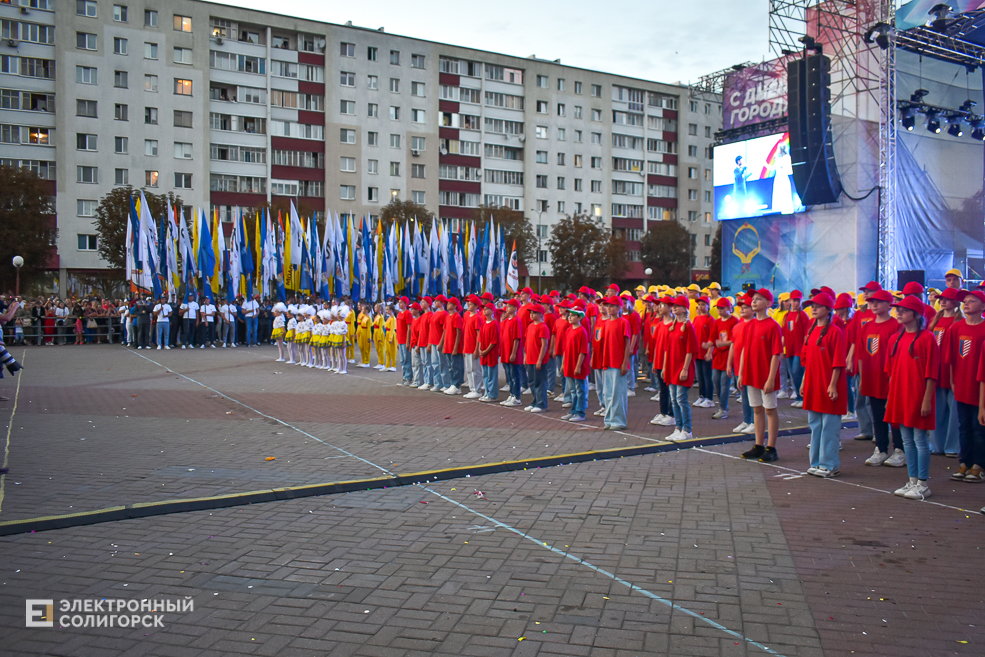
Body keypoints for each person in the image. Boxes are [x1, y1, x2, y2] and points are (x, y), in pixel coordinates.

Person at [885, 295, 939, 500]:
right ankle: (912, 480)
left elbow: (932, 373)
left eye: (904, 310)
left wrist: (926, 399)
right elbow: (891, 372)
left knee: (920, 439)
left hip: (918, 395)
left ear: (916, 315)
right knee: (906, 440)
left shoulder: (927, 338)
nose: (899, 313)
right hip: (900, 395)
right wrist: (891, 398)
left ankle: (923, 484)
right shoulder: (895, 339)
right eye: (898, 310)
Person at [857, 289, 906, 468]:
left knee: (894, 416)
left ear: (888, 304)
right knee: (877, 415)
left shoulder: (895, 325)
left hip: (889, 378)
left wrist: (895, 378)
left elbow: (898, 354)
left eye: (878, 302)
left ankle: (900, 449)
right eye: (871, 302)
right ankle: (881, 448)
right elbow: (862, 354)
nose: (874, 305)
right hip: (871, 377)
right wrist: (863, 377)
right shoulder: (867, 326)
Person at [800, 293, 847, 477]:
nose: (813, 309)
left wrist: (833, 384)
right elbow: (808, 361)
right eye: (812, 305)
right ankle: (816, 462)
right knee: (815, 425)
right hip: (814, 383)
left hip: (828, 384)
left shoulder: (835, 331)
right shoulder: (811, 330)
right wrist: (804, 381)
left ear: (828, 310)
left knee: (829, 426)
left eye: (818, 306)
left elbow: (838, 361)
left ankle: (829, 465)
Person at [944, 289, 985, 482]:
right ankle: (965, 462)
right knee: (964, 426)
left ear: (983, 306)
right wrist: (953, 381)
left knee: (979, 428)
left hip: (980, 387)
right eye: (965, 301)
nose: (966, 304)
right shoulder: (956, 328)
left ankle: (979, 464)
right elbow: (952, 358)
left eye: (972, 301)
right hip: (962, 384)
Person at [739, 289, 783, 462]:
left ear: (768, 303)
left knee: (770, 410)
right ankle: (759, 445)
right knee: (756, 409)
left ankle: (771, 447)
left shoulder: (773, 325)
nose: (754, 301)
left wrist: (771, 379)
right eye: (753, 299)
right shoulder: (749, 325)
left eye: (759, 299)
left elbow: (776, 354)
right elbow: (745, 350)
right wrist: (741, 373)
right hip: (751, 374)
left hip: (766, 375)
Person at [929, 286, 962, 456]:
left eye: (947, 299)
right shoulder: (935, 320)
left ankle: (953, 446)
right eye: (941, 299)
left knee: (954, 411)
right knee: (938, 408)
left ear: (956, 302)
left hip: (952, 370)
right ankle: (936, 444)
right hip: (937, 368)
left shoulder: (959, 322)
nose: (943, 302)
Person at [663, 296, 699, 441]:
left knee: (681, 399)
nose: (674, 308)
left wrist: (685, 368)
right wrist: (665, 367)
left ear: (685, 309)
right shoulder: (672, 326)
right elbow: (667, 349)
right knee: (673, 399)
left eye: (677, 306)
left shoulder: (688, 326)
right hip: (672, 366)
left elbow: (691, 350)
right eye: (673, 306)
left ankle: (687, 430)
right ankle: (678, 428)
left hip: (682, 367)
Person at [601, 295, 631, 431]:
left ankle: (619, 421)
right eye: (608, 306)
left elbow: (627, 344)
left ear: (619, 308)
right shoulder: (606, 323)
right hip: (607, 362)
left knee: (618, 393)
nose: (609, 308)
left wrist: (624, 362)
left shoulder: (624, 323)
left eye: (612, 306)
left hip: (618, 362)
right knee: (607, 393)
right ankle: (609, 419)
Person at [728, 294, 757, 435]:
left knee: (753, 396)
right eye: (741, 307)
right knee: (744, 394)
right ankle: (746, 420)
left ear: (753, 309)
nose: (743, 310)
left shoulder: (755, 325)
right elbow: (733, 345)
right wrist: (729, 363)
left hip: (750, 366)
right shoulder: (738, 326)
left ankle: (754, 422)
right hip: (738, 365)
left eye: (746, 307)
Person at [782, 290, 810, 407]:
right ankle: (799, 396)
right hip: (789, 350)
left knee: (797, 372)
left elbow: (807, 334)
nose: (796, 303)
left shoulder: (803, 315)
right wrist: (781, 348)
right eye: (794, 300)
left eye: (798, 300)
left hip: (800, 350)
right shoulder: (786, 316)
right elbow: (784, 334)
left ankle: (803, 397)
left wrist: (805, 350)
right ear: (790, 301)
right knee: (793, 375)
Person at [561, 306, 590, 422]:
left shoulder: (582, 331)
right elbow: (565, 349)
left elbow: (583, 351)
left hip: (578, 366)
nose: (570, 317)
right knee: (572, 390)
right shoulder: (568, 330)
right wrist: (563, 364)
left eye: (573, 315)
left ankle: (580, 412)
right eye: (569, 315)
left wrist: (578, 366)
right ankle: (573, 411)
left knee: (579, 390)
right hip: (569, 364)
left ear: (579, 317)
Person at [712, 297, 738, 420]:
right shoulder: (717, 322)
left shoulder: (734, 321)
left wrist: (724, 343)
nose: (719, 310)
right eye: (718, 308)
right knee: (716, 380)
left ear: (729, 308)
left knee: (724, 383)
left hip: (728, 356)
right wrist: (708, 348)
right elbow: (713, 338)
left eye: (722, 308)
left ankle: (723, 408)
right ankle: (722, 406)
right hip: (718, 356)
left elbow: (735, 339)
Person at [523, 303, 550, 412]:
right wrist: (525, 356)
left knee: (540, 381)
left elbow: (544, 345)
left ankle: (541, 403)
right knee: (532, 381)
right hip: (530, 358)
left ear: (541, 314)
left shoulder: (543, 327)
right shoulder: (530, 326)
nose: (531, 314)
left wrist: (540, 359)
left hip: (538, 360)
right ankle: (535, 401)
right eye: (531, 312)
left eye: (534, 313)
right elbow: (527, 343)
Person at [499, 298, 523, 407]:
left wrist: (513, 353)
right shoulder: (506, 321)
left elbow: (516, 338)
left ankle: (516, 397)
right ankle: (512, 394)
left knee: (514, 375)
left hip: (512, 352)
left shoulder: (516, 320)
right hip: (506, 351)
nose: (507, 308)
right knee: (509, 375)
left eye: (509, 306)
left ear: (515, 308)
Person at [692, 296, 715, 408]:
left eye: (703, 304)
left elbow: (712, 337)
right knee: (700, 376)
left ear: (708, 306)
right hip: (698, 352)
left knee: (707, 376)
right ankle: (702, 395)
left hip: (706, 353)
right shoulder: (696, 319)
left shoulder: (710, 320)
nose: (700, 307)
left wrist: (709, 352)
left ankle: (709, 398)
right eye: (699, 305)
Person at [476, 302, 500, 403]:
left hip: (491, 353)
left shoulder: (494, 323)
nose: (484, 310)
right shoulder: (484, 323)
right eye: (484, 309)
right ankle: (487, 392)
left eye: (486, 309)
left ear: (492, 311)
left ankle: (492, 394)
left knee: (491, 374)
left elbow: (494, 340)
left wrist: (486, 351)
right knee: (485, 374)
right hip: (484, 353)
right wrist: (480, 349)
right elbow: (480, 338)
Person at [462, 296, 484, 399]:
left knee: (475, 369)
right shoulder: (467, 315)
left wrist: (477, 348)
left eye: (471, 304)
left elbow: (479, 334)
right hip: (467, 347)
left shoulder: (477, 317)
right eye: (468, 304)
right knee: (469, 369)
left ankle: (477, 390)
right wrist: (464, 347)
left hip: (473, 347)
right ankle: (472, 389)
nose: (468, 306)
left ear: (476, 306)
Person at [443, 297, 465, 395]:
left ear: (455, 305)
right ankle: (453, 384)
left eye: (450, 303)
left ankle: (457, 385)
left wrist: (456, 347)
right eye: (447, 303)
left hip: (454, 347)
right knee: (450, 367)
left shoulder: (457, 317)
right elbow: (445, 331)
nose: (447, 305)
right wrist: (444, 345)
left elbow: (458, 333)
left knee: (456, 367)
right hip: (448, 346)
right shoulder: (447, 317)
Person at [383, 304, 397, 372]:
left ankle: (393, 365)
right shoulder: (389, 318)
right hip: (387, 333)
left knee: (392, 351)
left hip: (391, 334)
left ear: (391, 310)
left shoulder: (393, 318)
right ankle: (387, 365)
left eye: (387, 309)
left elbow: (392, 329)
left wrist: (390, 338)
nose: (386, 311)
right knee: (387, 350)